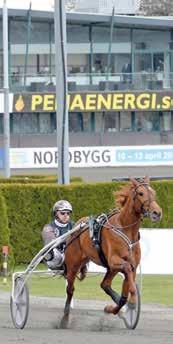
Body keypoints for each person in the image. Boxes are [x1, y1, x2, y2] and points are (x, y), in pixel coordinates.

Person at [42, 200, 74, 270]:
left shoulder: (73, 225)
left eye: (68, 213)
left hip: (71, 255)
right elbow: (52, 244)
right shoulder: (48, 227)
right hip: (56, 258)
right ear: (56, 214)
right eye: (62, 213)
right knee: (54, 253)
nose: (66, 216)